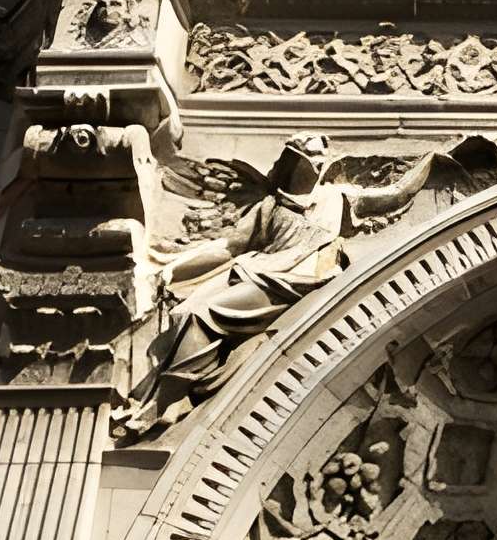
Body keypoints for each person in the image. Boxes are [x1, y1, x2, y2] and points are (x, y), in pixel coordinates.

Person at [113, 134, 455, 438]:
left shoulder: (337, 200)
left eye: (314, 159)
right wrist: (174, 267)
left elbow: (394, 194)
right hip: (260, 272)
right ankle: (161, 397)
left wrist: (432, 161)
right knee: (185, 311)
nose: (310, 163)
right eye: (303, 157)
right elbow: (228, 247)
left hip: (298, 279)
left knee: (202, 314)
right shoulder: (271, 205)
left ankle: (161, 403)